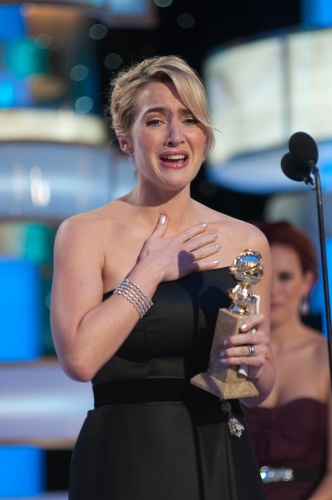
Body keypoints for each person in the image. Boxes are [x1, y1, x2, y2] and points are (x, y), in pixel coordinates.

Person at [50, 55, 275, 500]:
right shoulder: (84, 233)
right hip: (129, 460)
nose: (176, 136)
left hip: (223, 456)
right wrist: (149, 271)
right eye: (156, 120)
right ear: (126, 141)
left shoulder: (246, 240)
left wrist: (258, 363)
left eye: (189, 119)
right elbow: (79, 360)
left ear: (204, 136)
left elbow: (259, 391)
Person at [244, 220, 332, 500]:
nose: (274, 290)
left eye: (285, 277)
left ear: (307, 281)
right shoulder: (232, 354)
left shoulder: (326, 356)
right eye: (264, 276)